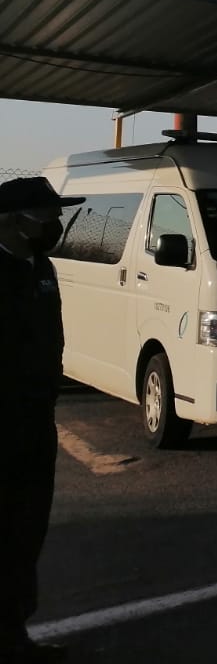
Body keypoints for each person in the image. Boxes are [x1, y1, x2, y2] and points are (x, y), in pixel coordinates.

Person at [0, 177, 84, 664]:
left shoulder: (42, 267)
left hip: (36, 426)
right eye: (46, 216)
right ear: (12, 221)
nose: (55, 225)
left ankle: (15, 636)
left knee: (26, 534)